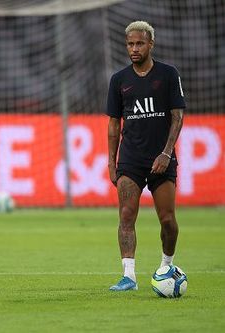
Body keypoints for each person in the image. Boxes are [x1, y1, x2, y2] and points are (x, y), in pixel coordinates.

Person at [106, 21, 185, 291]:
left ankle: (167, 266)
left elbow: (177, 117)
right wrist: (111, 161)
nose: (134, 49)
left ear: (151, 43)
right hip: (130, 159)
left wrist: (166, 152)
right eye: (130, 44)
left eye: (139, 43)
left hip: (161, 159)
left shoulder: (168, 74)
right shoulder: (119, 80)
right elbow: (114, 124)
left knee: (168, 220)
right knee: (126, 215)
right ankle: (129, 276)